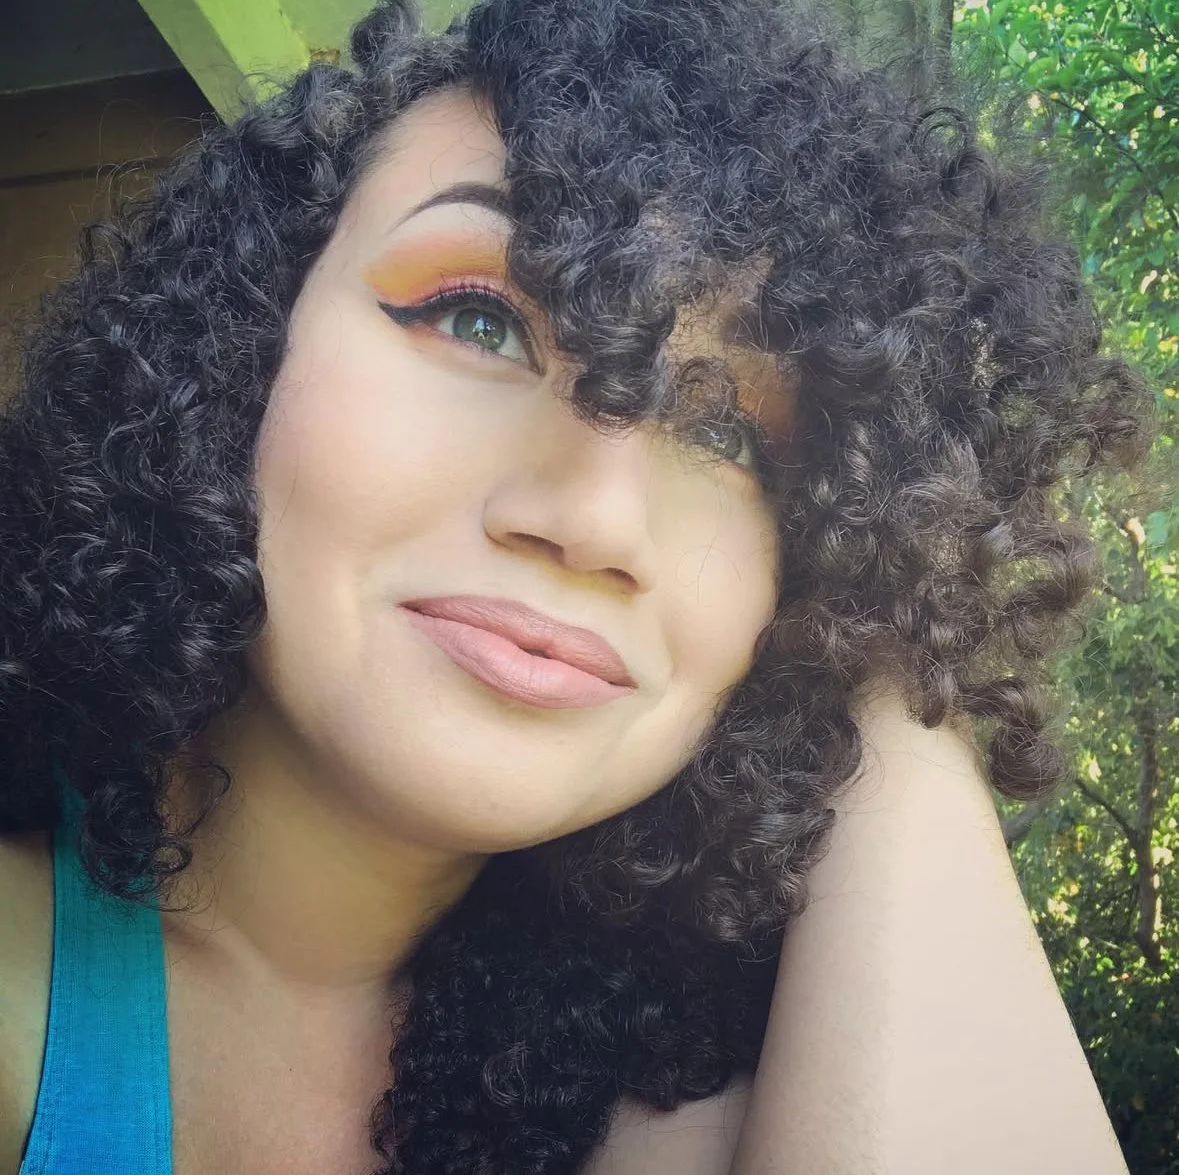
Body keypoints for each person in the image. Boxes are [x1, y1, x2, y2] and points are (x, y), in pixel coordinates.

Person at [0, 0, 1150, 1172]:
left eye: (736, 438)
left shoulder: (686, 1103)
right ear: (237, 344)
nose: (598, 519)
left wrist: (903, 658)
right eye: (479, 318)